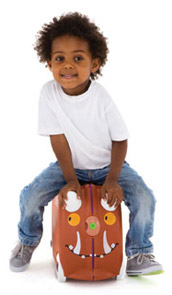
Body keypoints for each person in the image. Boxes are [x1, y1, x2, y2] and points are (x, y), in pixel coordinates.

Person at [9, 12, 162, 276]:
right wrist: (70, 179)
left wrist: (113, 179)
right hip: (69, 167)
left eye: (78, 58)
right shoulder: (48, 94)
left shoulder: (101, 97)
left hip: (108, 166)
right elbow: (58, 140)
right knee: (32, 195)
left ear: (94, 64)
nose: (68, 66)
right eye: (60, 59)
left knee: (145, 197)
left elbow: (120, 139)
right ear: (49, 63)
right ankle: (27, 241)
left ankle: (139, 253)